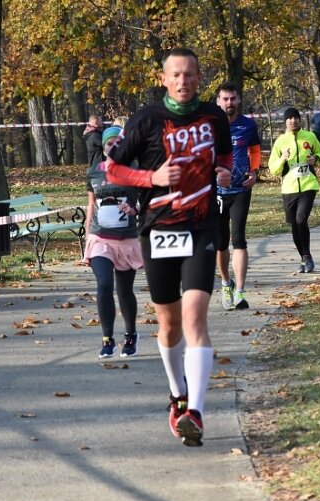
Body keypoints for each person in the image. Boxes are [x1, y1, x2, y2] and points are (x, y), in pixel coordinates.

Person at [105, 47, 233, 447]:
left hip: (201, 225)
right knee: (169, 324)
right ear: (164, 79)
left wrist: (225, 168)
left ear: (199, 78)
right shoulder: (145, 119)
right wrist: (152, 178)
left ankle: (195, 410)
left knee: (195, 319)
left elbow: (225, 153)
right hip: (157, 228)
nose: (183, 81)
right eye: (175, 75)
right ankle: (177, 395)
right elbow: (112, 168)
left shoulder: (214, 116)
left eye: (190, 75)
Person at [82, 126, 143, 359]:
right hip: (100, 238)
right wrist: (87, 236)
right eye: (109, 144)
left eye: (118, 143)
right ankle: (107, 339)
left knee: (124, 290)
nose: (113, 147)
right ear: (104, 147)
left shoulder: (135, 169)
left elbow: (148, 200)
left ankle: (130, 335)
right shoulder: (94, 172)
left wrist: (136, 209)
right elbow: (91, 205)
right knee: (104, 284)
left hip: (126, 239)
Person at [215, 82, 261, 310]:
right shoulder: (210, 126)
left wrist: (254, 172)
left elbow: (254, 151)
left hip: (241, 189)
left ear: (238, 100)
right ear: (218, 101)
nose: (229, 103)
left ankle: (241, 291)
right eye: (225, 99)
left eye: (233, 99)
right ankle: (226, 285)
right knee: (221, 242)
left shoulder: (248, 125)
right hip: (217, 192)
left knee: (239, 238)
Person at [268, 108, 320, 273]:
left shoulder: (310, 136)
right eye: (290, 118)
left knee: (301, 219)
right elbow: (273, 169)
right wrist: (282, 159)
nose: (293, 121)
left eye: (296, 118)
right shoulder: (280, 142)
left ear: (300, 120)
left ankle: (306, 256)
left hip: (308, 185)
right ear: (285, 121)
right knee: (294, 225)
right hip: (289, 188)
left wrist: (316, 158)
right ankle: (304, 258)